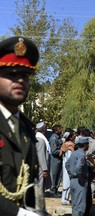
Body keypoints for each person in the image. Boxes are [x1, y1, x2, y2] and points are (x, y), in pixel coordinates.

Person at [0, 36, 47, 215]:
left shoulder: (25, 128)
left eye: (25, 75)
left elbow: (30, 185)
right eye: (12, 74)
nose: (20, 80)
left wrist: (39, 211)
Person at [66, 136, 90, 216]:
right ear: (85, 145)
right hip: (80, 182)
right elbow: (78, 168)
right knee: (80, 207)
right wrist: (80, 176)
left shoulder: (74, 153)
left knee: (75, 206)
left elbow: (67, 164)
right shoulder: (81, 154)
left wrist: (71, 174)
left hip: (73, 181)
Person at [59, 130, 75, 205]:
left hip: (64, 163)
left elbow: (60, 154)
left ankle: (64, 198)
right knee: (68, 180)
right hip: (69, 164)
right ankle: (65, 198)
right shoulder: (71, 145)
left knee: (66, 180)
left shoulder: (64, 144)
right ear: (71, 137)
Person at [35, 122, 50, 193]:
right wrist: (44, 169)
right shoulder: (41, 140)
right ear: (44, 129)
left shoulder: (39, 138)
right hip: (41, 167)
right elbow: (41, 155)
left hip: (39, 166)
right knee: (40, 186)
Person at [49, 124, 63, 197]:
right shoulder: (54, 138)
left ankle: (56, 190)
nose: (61, 130)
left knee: (59, 175)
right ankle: (52, 191)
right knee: (54, 175)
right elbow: (54, 151)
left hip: (59, 159)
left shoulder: (59, 137)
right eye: (60, 129)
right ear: (56, 130)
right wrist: (62, 150)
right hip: (55, 160)